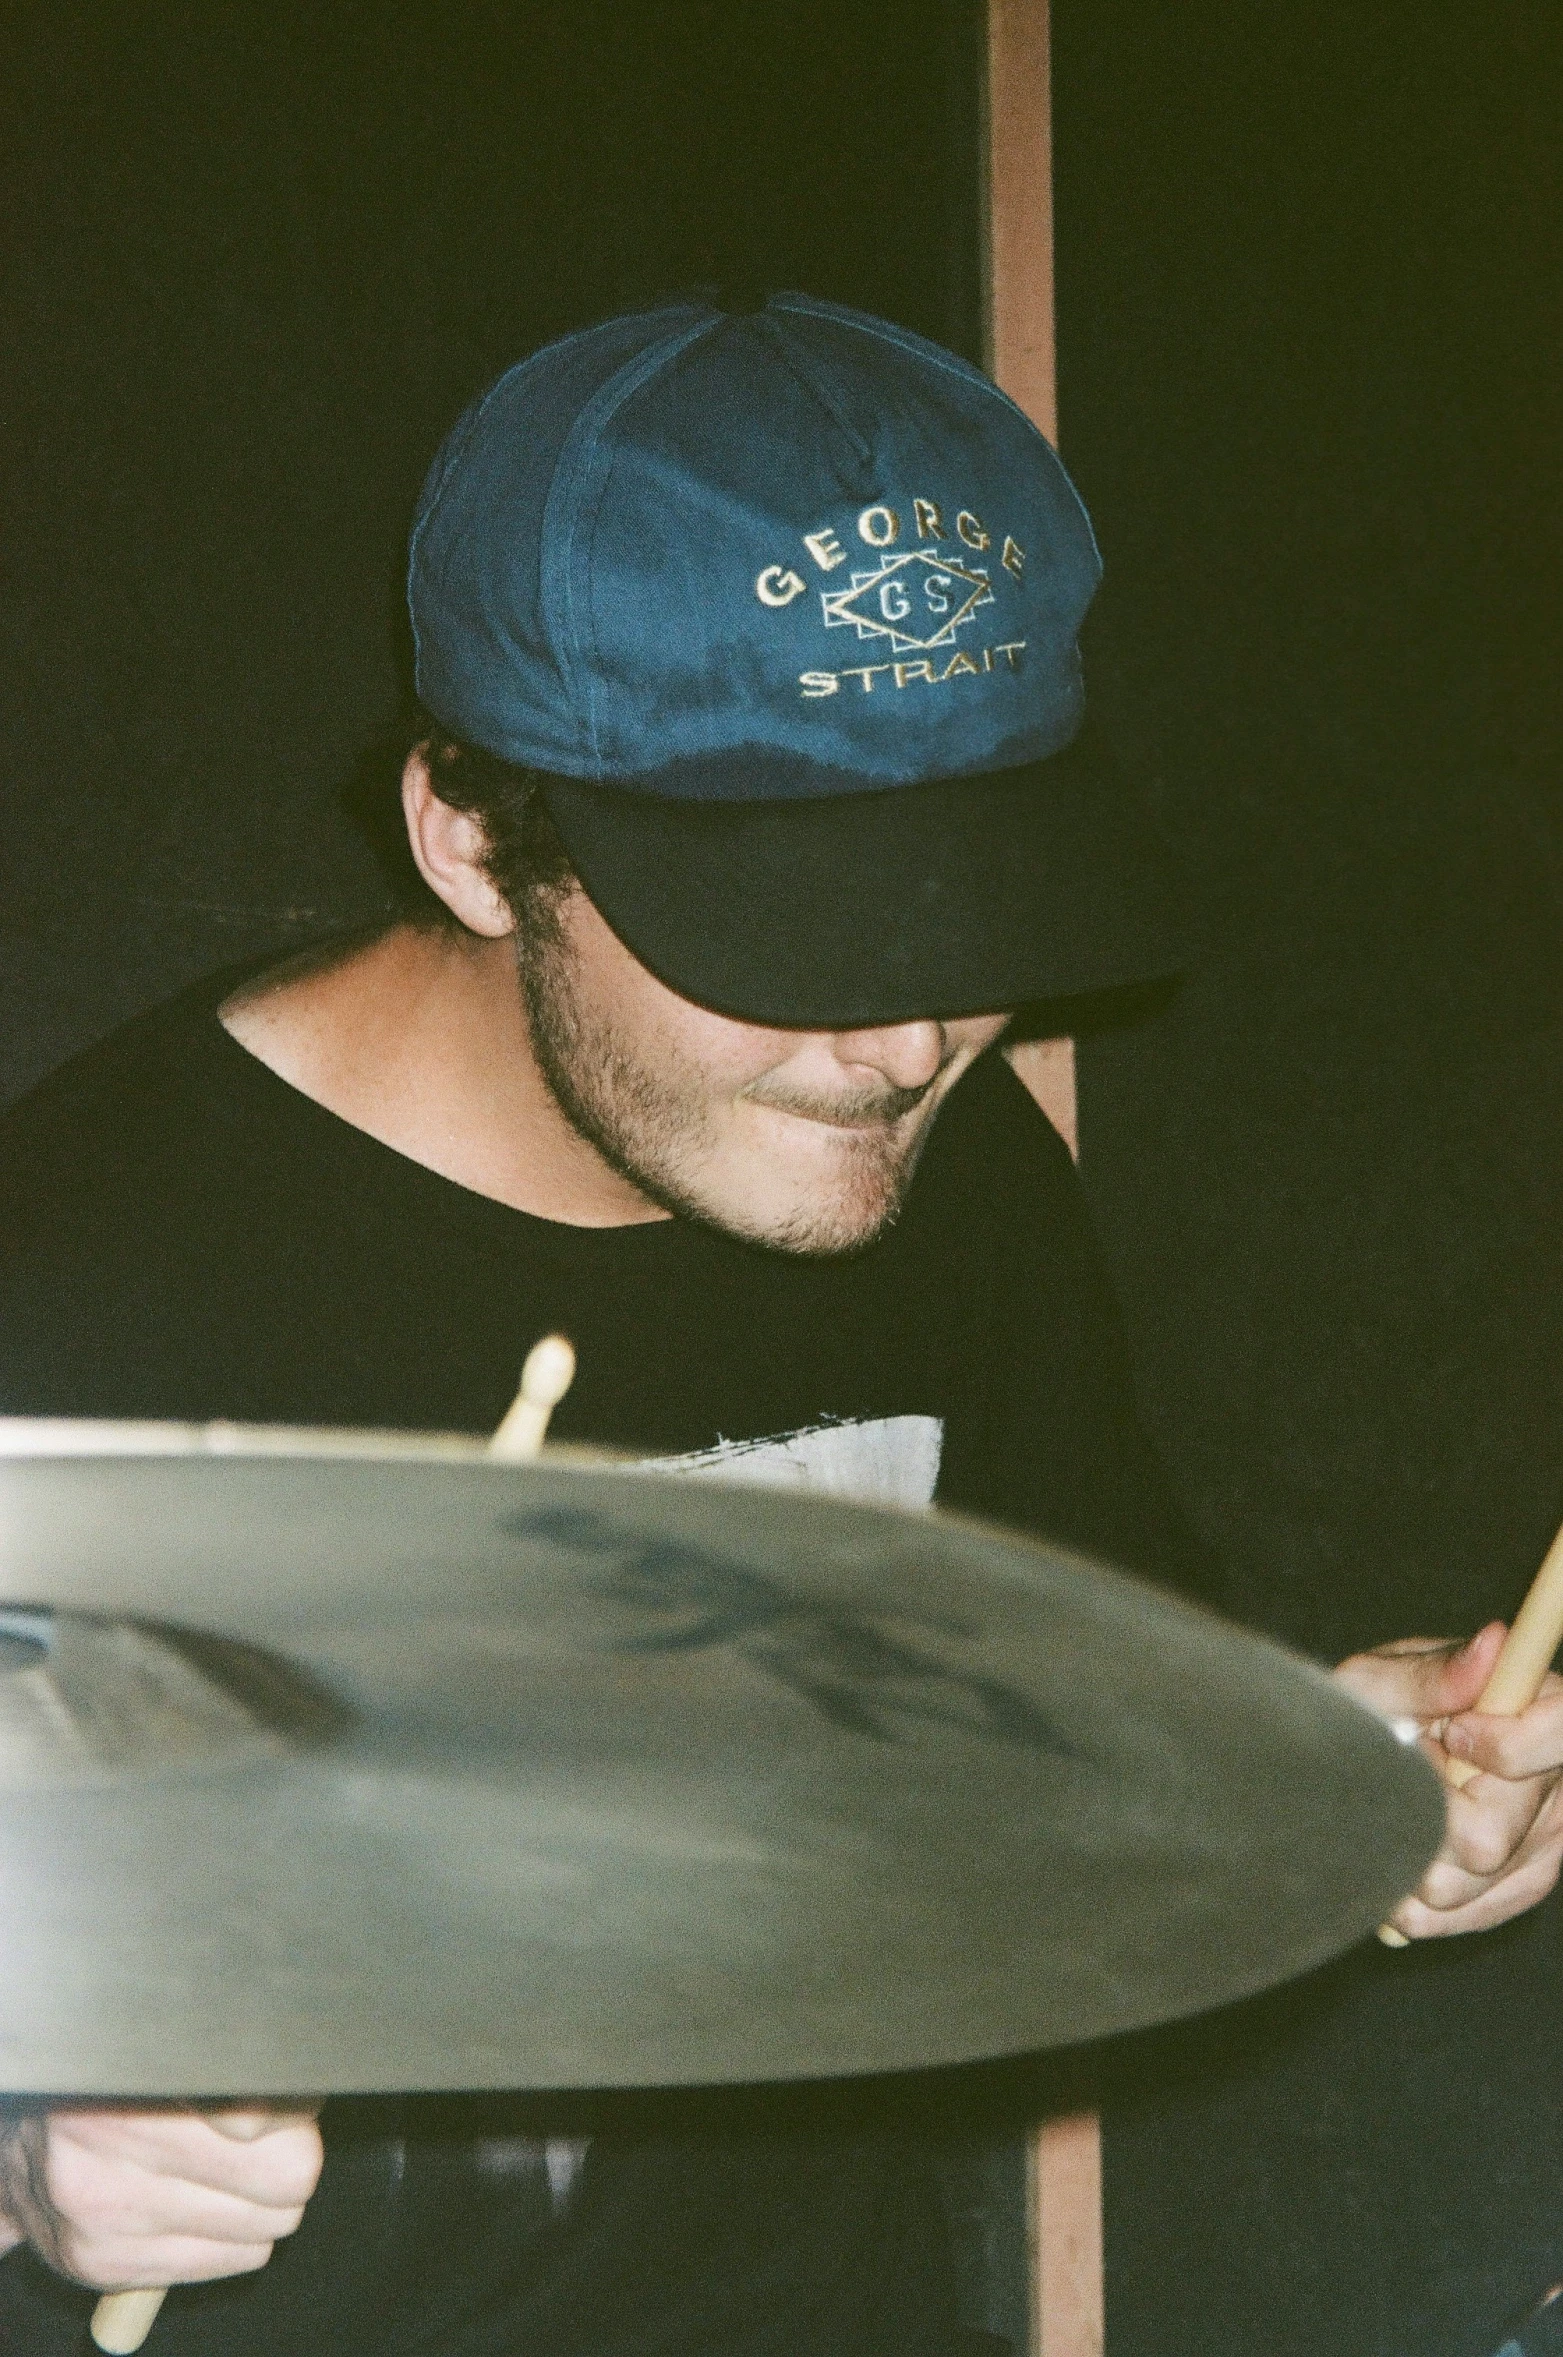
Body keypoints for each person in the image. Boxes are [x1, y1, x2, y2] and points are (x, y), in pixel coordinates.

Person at [0, 293, 1558, 2357]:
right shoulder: (79, 1284)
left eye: (965, 905)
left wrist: (1326, 1768)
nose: (907, 1037)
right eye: (793, 935)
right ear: (474, 836)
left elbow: (1046, 1730)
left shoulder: (944, 1174)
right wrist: (26, 2152)